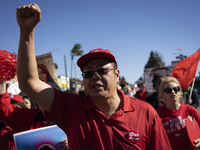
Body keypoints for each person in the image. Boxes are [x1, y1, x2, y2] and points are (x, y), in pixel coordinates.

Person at [16, 4, 172, 149]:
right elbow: (29, 83)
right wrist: (27, 32)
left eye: (102, 71)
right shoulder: (71, 108)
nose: (95, 77)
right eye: (88, 73)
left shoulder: (145, 112)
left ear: (117, 75)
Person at [0, 79, 69, 150]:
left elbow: (80, 138)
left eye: (49, 98)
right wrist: (1, 83)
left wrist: (72, 142)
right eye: (41, 97)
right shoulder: (30, 116)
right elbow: (5, 110)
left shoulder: (70, 118)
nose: (45, 101)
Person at [156, 77, 200, 150]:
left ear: (179, 91)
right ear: (163, 94)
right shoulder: (157, 114)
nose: (173, 92)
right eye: (168, 90)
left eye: (176, 89)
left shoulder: (190, 110)